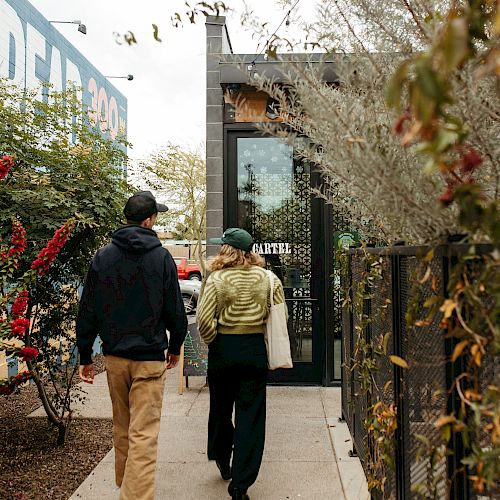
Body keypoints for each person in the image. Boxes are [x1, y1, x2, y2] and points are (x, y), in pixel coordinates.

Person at [76, 191, 187, 500]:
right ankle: (134, 496)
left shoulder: (103, 256)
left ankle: (125, 485)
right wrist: (175, 347)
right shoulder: (161, 256)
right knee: (144, 433)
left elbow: (88, 309)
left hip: (115, 358)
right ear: (148, 220)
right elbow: (175, 311)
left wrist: (85, 355)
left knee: (123, 427)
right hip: (149, 358)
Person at [197, 228, 286, 500]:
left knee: (221, 410)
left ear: (226, 250)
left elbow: (203, 321)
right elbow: (280, 314)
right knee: (251, 416)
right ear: (250, 251)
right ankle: (241, 484)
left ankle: (224, 458)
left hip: (224, 350)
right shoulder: (269, 279)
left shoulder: (216, 280)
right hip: (254, 350)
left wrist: (216, 339)